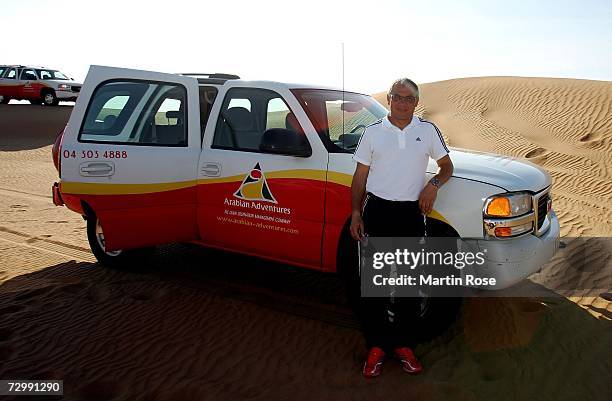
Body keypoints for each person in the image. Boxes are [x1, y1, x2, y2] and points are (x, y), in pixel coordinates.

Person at [350, 78, 454, 378]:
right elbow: (359, 177)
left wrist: (433, 185)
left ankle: (404, 346)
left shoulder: (427, 131)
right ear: (390, 99)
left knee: (408, 285)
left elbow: (447, 167)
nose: (403, 103)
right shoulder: (372, 133)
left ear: (416, 103)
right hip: (378, 211)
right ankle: (377, 347)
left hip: (410, 213)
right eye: (397, 97)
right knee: (376, 286)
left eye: (409, 98)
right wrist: (356, 212)